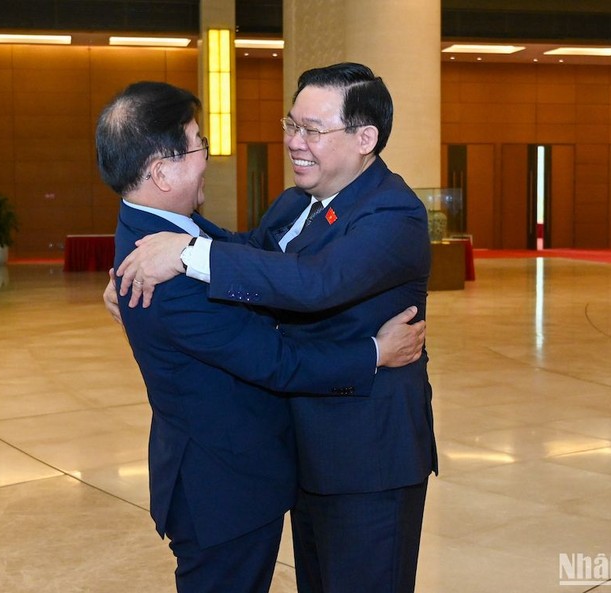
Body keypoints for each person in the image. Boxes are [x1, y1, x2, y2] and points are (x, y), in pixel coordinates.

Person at [106, 63, 437, 593]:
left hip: (365, 459)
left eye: (312, 130)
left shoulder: (392, 214)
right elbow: (252, 258)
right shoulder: (297, 202)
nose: (293, 142)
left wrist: (187, 252)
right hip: (300, 450)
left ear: (364, 138)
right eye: (291, 124)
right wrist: (137, 266)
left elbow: (315, 283)